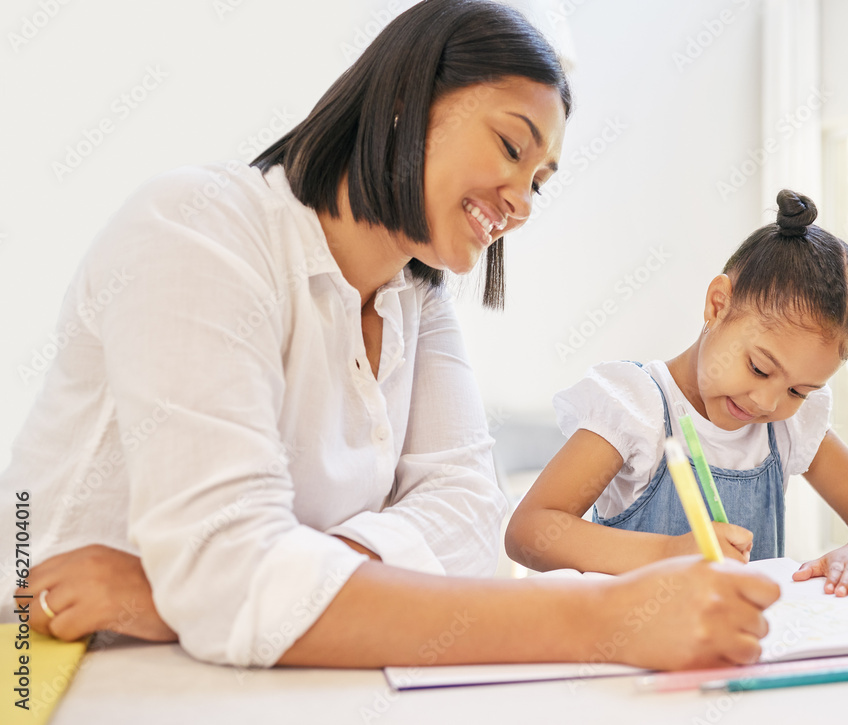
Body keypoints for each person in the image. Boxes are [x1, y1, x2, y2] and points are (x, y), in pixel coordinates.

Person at [4, 0, 780, 671]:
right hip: (57, 661)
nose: (522, 202)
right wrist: (607, 622)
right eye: (512, 147)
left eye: (540, 181)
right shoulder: (197, 229)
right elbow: (229, 577)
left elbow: (473, 526)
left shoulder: (415, 296)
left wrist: (200, 590)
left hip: (233, 665)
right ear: (407, 98)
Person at [506, 189, 848, 598]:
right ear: (718, 304)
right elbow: (530, 531)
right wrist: (670, 552)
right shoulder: (637, 406)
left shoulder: (787, 426)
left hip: (741, 649)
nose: (767, 403)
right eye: (759, 368)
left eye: (798, 390)